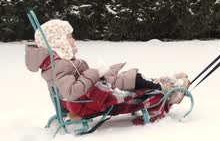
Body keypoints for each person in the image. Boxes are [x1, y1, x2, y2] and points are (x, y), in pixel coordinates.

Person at [25, 19, 190, 115]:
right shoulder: (60, 65)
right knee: (133, 79)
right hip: (90, 100)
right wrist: (94, 72)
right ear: (58, 42)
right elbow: (71, 92)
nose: (73, 40)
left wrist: (98, 73)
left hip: (91, 92)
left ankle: (164, 81)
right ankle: (167, 90)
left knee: (126, 78)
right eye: (69, 37)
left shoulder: (57, 63)